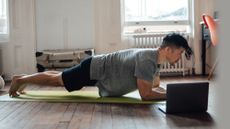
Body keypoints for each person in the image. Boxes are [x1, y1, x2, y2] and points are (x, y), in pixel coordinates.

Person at [9, 33, 193, 100]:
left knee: (60, 76)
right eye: (179, 52)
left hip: (97, 67)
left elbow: (153, 87)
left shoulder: (154, 59)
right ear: (168, 49)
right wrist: (175, 96)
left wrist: (167, 94)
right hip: (95, 68)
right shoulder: (148, 60)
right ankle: (21, 79)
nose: (180, 56)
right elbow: (145, 95)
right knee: (59, 81)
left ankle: (25, 78)